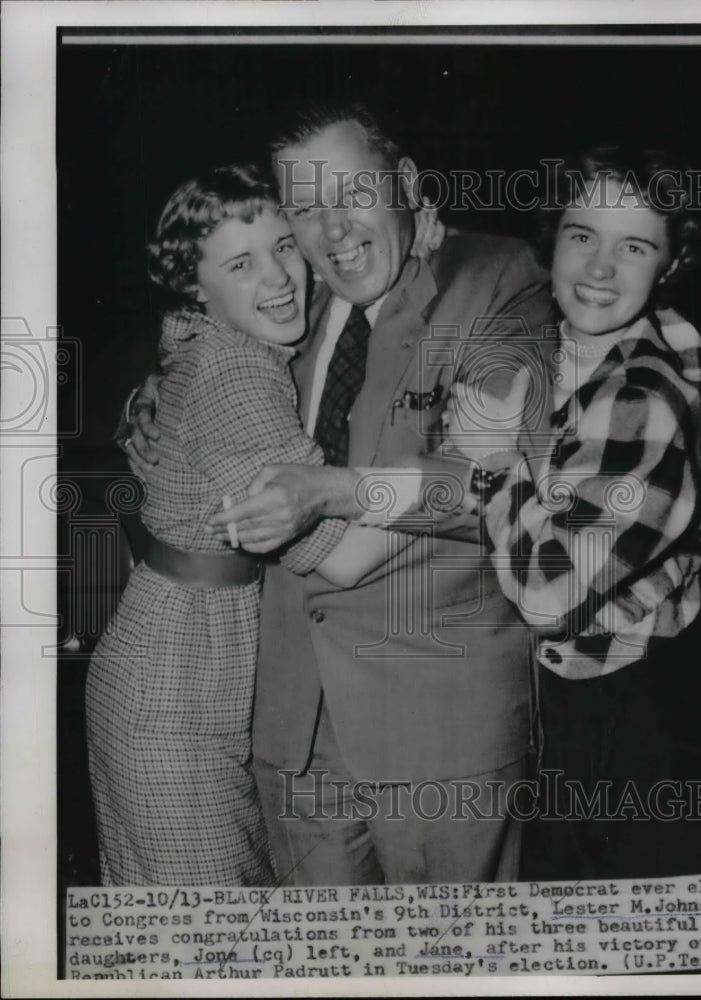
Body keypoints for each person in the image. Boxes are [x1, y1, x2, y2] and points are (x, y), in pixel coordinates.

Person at [129, 101, 554, 885]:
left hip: (439, 730)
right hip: (290, 727)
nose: (333, 230)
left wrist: (332, 491)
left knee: (450, 967)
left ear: (407, 187)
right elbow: (205, 336)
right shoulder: (293, 293)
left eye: (354, 195)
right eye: (307, 208)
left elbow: (495, 472)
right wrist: (149, 396)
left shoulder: (495, 276)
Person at [450, 146, 701, 879]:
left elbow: (549, 594)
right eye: (582, 235)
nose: (598, 269)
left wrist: (498, 465)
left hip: (649, 718)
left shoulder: (643, 399)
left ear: (669, 265)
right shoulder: (559, 348)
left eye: (634, 247)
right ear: (551, 240)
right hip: (578, 702)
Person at [90, 163, 411, 886]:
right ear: (195, 285)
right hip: (178, 680)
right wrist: (474, 485)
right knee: (203, 936)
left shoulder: (216, 336)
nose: (279, 277)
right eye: (242, 262)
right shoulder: (237, 371)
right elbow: (348, 558)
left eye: (284, 248)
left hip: (176, 656)